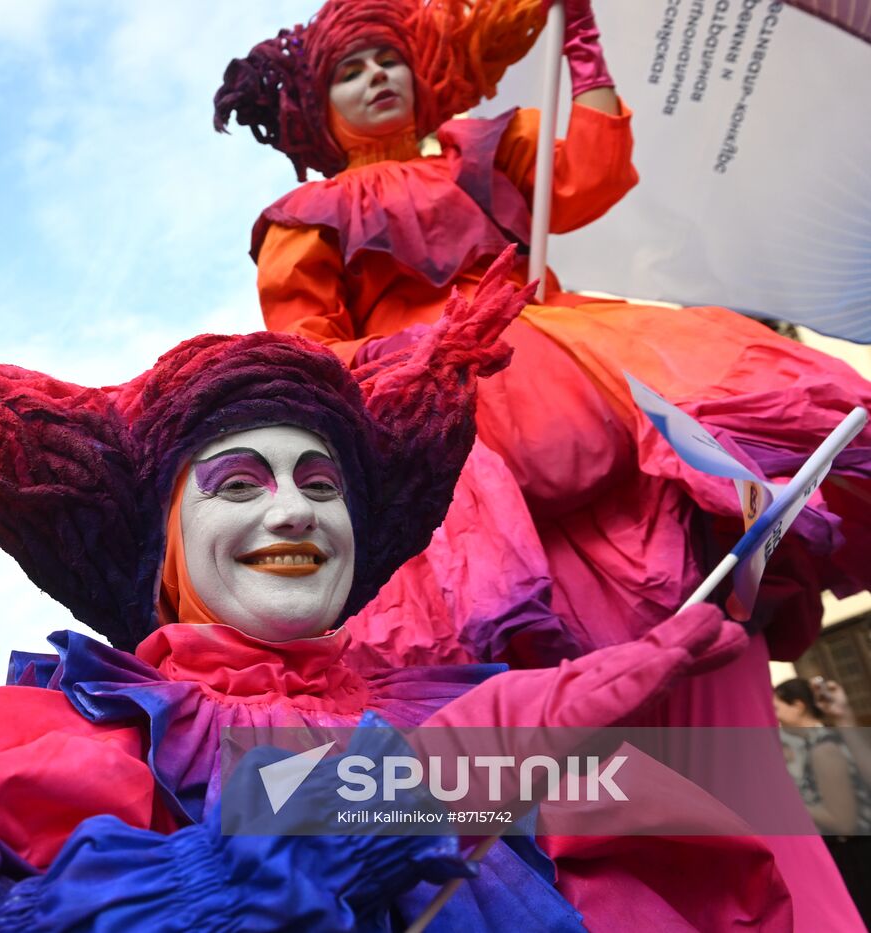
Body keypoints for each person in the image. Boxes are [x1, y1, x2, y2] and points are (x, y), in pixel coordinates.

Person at [0, 253, 791, 931]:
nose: (296, 512)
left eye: (320, 484)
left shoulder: (447, 712)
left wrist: (613, 701)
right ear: (164, 546)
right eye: (237, 485)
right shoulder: (23, 745)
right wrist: (223, 879)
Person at [215, 4, 869, 922]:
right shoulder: (304, 217)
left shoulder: (486, 148)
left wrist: (586, 48)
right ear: (317, 113)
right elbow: (311, 353)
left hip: (590, 380)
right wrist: (412, 391)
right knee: (522, 697)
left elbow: (589, 170)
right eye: (349, 71)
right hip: (443, 445)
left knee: (690, 638)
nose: (376, 78)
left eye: (388, 58)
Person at [774, 678, 871, 923]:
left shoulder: (823, 749)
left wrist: (787, 801)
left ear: (797, 706)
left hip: (853, 859)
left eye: (776, 709)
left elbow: (843, 822)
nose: (774, 719)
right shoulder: (816, 744)